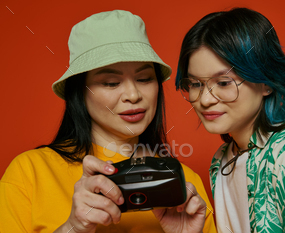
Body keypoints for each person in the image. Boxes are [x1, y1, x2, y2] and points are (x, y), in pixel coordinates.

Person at [0, 10, 216, 233]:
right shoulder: (29, 173)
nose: (133, 95)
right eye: (111, 83)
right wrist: (73, 228)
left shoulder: (185, 184)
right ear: (79, 93)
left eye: (144, 79)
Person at [175, 7, 285, 233]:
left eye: (224, 82)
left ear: (266, 82)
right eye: (196, 84)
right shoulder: (221, 161)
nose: (205, 100)